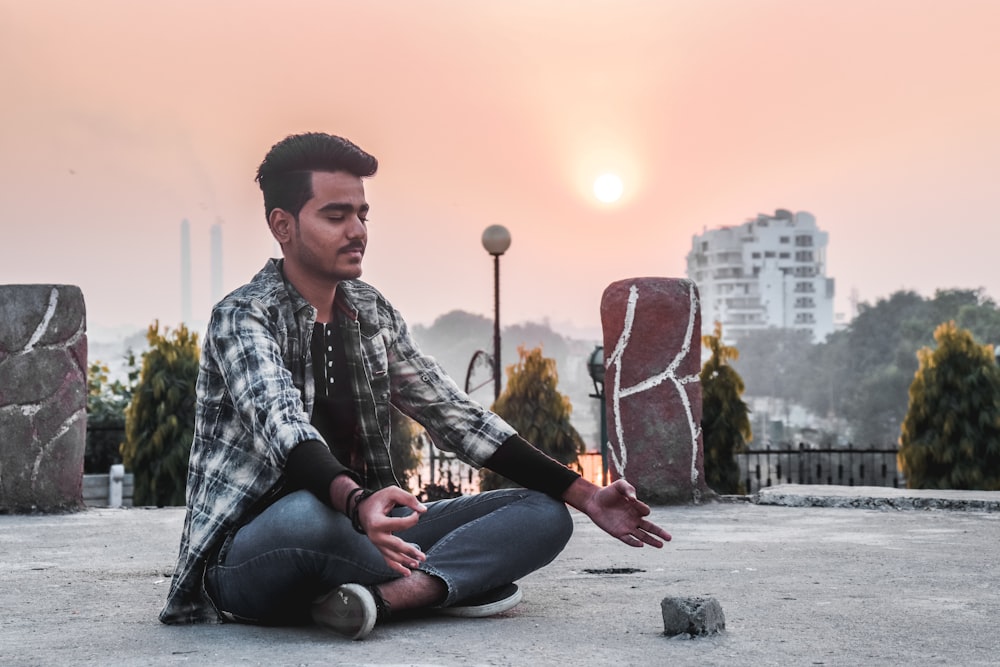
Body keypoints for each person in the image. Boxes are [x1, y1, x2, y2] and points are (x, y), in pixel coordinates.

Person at [160, 132, 671, 639]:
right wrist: (359, 501)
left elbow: (454, 416)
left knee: (545, 512)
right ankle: (451, 582)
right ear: (282, 225)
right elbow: (284, 428)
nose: (357, 230)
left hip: (369, 530)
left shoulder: (370, 310)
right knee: (308, 517)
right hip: (256, 552)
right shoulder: (243, 315)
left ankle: (384, 599)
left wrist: (586, 493)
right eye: (336, 216)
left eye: (363, 215)